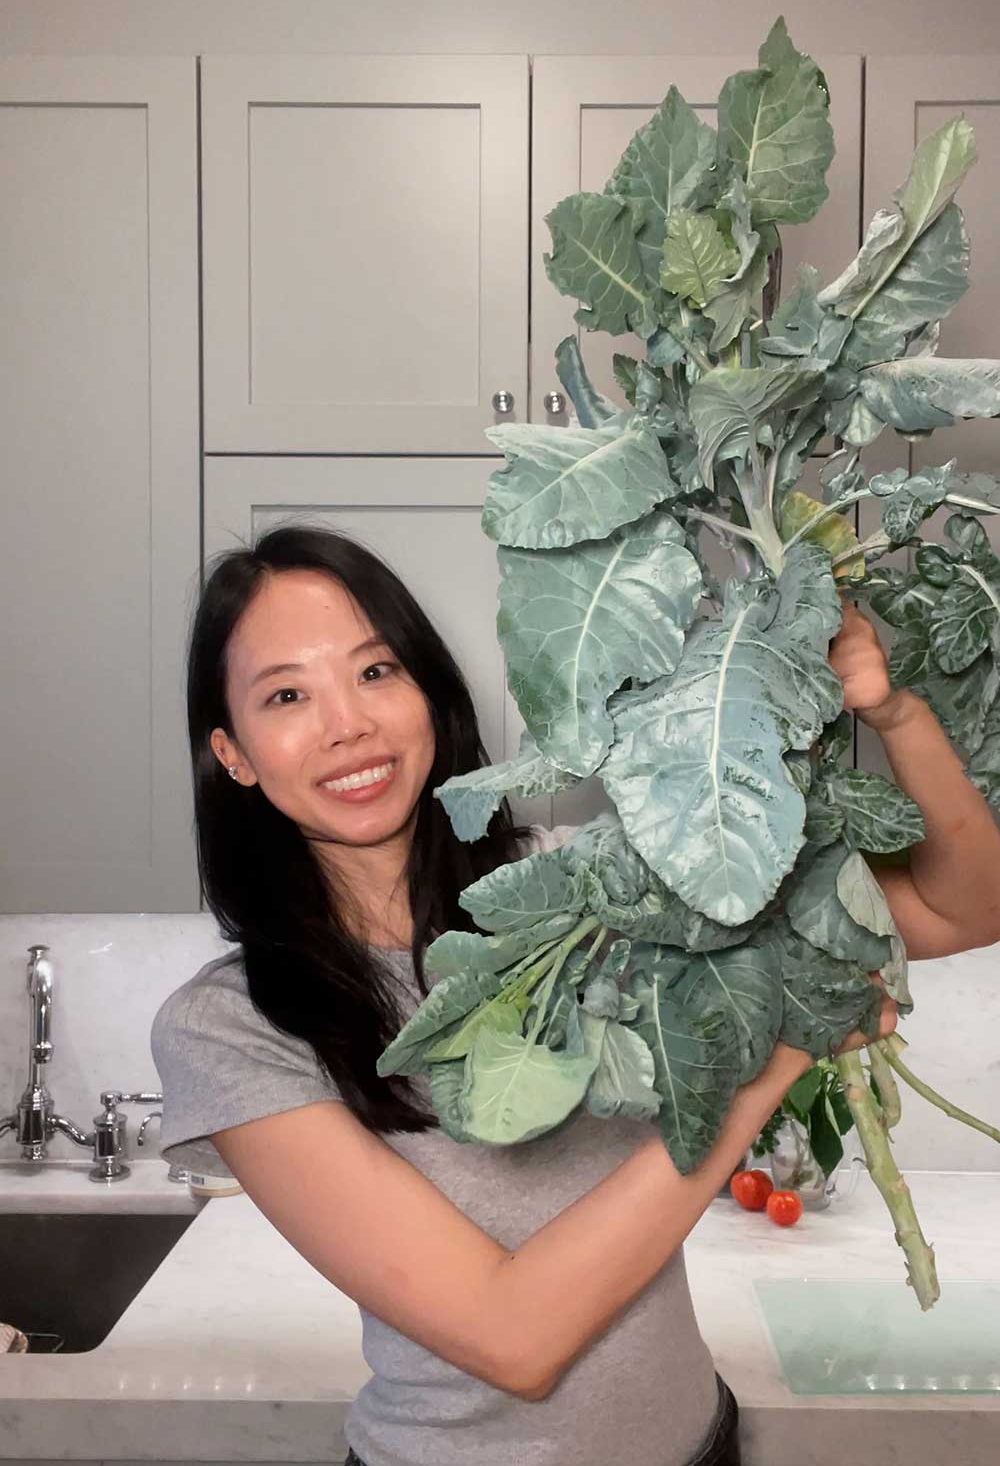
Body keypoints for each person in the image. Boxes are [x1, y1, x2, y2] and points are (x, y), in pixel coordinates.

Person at [151, 521, 996, 1466]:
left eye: (376, 672)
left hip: (697, 1443)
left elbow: (958, 909)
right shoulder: (229, 1028)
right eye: (287, 695)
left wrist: (893, 715)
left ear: (429, 688)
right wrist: (787, 1046)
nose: (347, 722)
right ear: (234, 754)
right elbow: (515, 1338)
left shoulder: (590, 886)